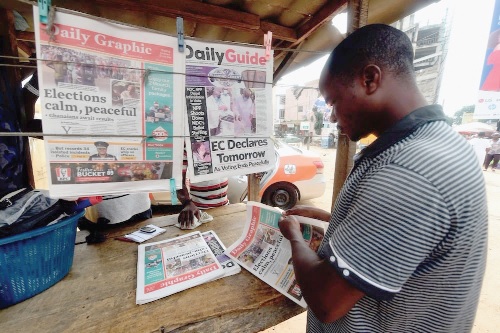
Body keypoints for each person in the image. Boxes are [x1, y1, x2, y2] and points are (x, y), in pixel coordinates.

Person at [278, 24, 487, 332]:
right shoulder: (442, 142)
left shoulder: (409, 172)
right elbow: (405, 240)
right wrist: (334, 221)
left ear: (370, 79)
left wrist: (294, 234)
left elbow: (326, 302)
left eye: (333, 102)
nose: (332, 116)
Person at [176, 149, 228, 228]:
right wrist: (187, 203)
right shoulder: (186, 143)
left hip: (226, 207)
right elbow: (178, 181)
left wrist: (252, 168)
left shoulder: (223, 139)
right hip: (200, 211)